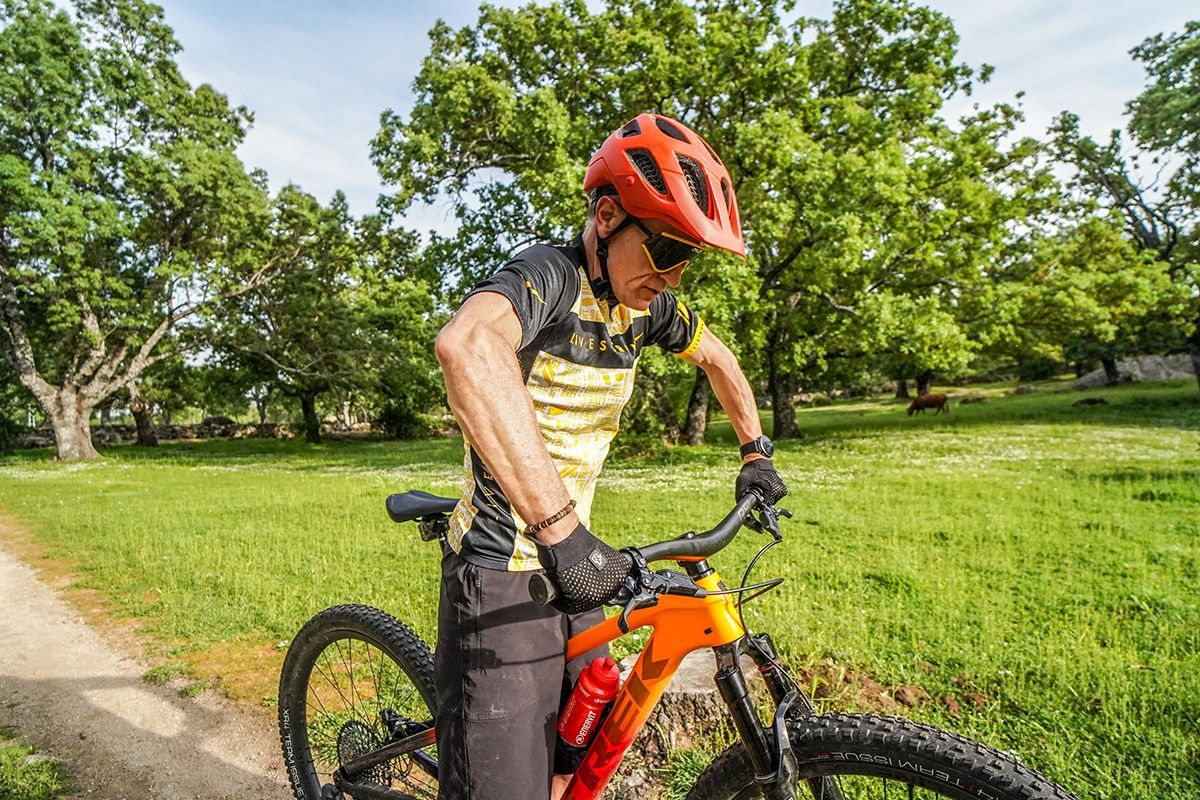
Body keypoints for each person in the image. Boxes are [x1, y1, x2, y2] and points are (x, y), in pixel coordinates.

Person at [432, 112, 788, 800]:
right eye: (664, 251)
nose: (674, 276)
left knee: (579, 756)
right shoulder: (550, 276)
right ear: (605, 217)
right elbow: (467, 347)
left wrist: (754, 450)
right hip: (505, 569)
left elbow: (716, 358)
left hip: (579, 569)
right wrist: (560, 532)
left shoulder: (646, 307)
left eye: (688, 258)